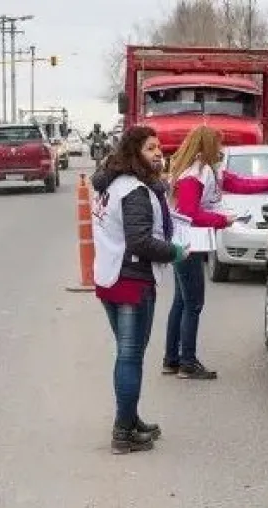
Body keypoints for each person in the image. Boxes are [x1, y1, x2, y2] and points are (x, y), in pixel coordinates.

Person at [162, 125, 268, 380]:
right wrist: (224, 219)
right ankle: (187, 363)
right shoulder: (194, 175)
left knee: (181, 301)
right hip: (189, 243)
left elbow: (239, 183)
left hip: (187, 243)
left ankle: (172, 358)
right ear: (206, 147)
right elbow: (190, 214)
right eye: (217, 145)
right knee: (193, 304)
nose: (221, 150)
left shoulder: (205, 170)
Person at [91, 125, 190, 454]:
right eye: (150, 148)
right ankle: (122, 431)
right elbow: (140, 241)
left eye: (159, 147)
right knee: (130, 357)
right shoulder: (134, 190)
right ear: (135, 154)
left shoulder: (113, 184)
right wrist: (176, 252)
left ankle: (130, 418)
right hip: (131, 281)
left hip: (110, 277)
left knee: (127, 355)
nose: (159, 153)